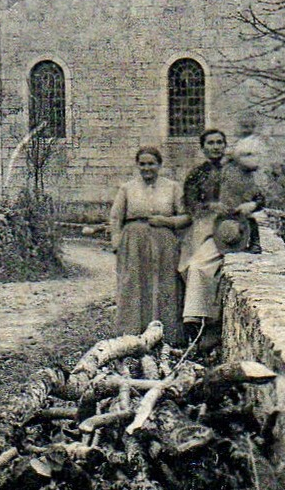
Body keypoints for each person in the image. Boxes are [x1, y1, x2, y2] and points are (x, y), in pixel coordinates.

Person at [177, 129, 262, 352]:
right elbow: (189, 202)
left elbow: (259, 196)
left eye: (219, 143)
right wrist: (210, 206)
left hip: (233, 229)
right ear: (203, 148)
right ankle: (201, 325)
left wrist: (250, 205)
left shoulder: (237, 169)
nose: (215, 147)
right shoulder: (197, 174)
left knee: (204, 268)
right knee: (190, 267)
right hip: (205, 225)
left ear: (225, 145)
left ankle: (206, 325)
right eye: (210, 143)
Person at [107, 146, 187, 339]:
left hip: (164, 244)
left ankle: (165, 334)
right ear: (137, 166)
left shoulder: (173, 187)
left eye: (151, 164)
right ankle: (131, 334)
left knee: (165, 284)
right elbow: (116, 217)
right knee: (133, 284)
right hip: (133, 242)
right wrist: (117, 243)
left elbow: (186, 216)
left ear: (159, 165)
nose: (147, 168)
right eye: (142, 164)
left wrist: (166, 221)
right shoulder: (127, 188)